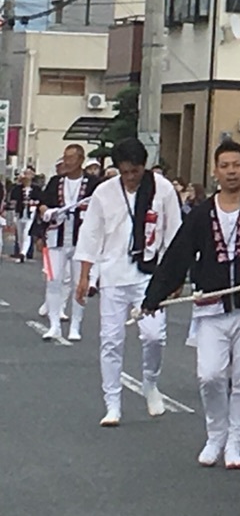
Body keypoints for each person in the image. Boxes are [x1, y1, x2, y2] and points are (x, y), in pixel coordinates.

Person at [142, 139, 240, 468]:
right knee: (210, 375)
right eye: (224, 166)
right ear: (215, 171)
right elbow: (178, 255)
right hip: (210, 306)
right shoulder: (201, 214)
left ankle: (235, 442)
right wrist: (154, 295)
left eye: (236, 165)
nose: (231, 171)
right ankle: (215, 434)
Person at [74, 138, 182, 426]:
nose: (130, 178)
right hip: (112, 274)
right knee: (111, 340)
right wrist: (85, 276)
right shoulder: (104, 193)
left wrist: (175, 276)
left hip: (150, 274)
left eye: (134, 171)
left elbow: (174, 234)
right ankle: (112, 403)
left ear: (144, 167)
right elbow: (91, 235)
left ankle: (150, 381)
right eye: (124, 172)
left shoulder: (163, 189)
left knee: (153, 335)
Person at [37, 143, 91, 343]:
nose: (67, 162)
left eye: (71, 158)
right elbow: (42, 204)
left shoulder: (92, 183)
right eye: (65, 157)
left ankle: (76, 325)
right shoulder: (55, 182)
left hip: (81, 239)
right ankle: (54, 325)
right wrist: (47, 212)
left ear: (80, 160)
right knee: (53, 281)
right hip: (56, 238)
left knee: (79, 284)